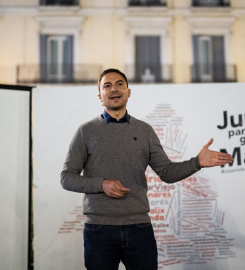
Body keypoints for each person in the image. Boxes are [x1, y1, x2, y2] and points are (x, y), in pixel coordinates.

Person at [60, 68, 233, 270]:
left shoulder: (144, 131)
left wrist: (197, 162)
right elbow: (66, 177)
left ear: (128, 92)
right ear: (100, 96)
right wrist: (101, 184)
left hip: (139, 227)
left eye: (119, 84)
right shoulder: (85, 131)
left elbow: (167, 173)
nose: (114, 89)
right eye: (107, 85)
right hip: (99, 228)